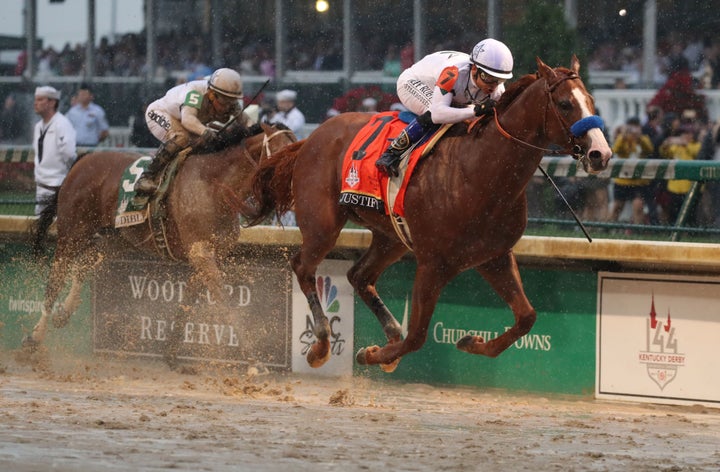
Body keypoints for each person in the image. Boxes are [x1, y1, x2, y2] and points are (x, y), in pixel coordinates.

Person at [375, 38, 513, 177]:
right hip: (413, 82)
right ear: (474, 68)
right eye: (487, 77)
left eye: (499, 80)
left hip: (447, 91)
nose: (493, 85)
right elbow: (438, 114)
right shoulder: (452, 73)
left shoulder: (498, 90)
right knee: (434, 112)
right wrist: (476, 110)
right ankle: (391, 153)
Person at [133, 67, 249, 203]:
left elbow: (247, 123)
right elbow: (188, 120)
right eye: (225, 102)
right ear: (212, 95)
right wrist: (205, 131)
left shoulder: (228, 102)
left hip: (183, 118)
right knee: (182, 138)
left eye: (232, 102)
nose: (229, 107)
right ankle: (146, 177)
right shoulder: (196, 93)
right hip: (159, 113)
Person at [32, 86, 77, 215]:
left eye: (40, 99)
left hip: (58, 186)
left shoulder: (62, 124)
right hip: (41, 185)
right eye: (36, 99)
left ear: (52, 102)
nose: (36, 103)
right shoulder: (38, 126)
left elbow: (69, 154)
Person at [609, 117, 655, 226]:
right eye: (631, 127)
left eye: (636, 127)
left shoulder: (644, 139)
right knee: (617, 206)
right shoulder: (622, 138)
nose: (633, 130)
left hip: (639, 181)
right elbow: (616, 150)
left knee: (638, 206)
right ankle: (608, 228)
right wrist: (623, 136)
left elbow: (649, 150)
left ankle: (637, 231)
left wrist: (639, 138)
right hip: (622, 180)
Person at [65, 82, 109, 147]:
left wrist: (96, 141)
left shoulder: (98, 111)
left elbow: (104, 131)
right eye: (80, 94)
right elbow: (64, 127)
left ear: (91, 96)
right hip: (76, 146)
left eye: (84, 94)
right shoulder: (72, 111)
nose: (82, 96)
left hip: (91, 146)